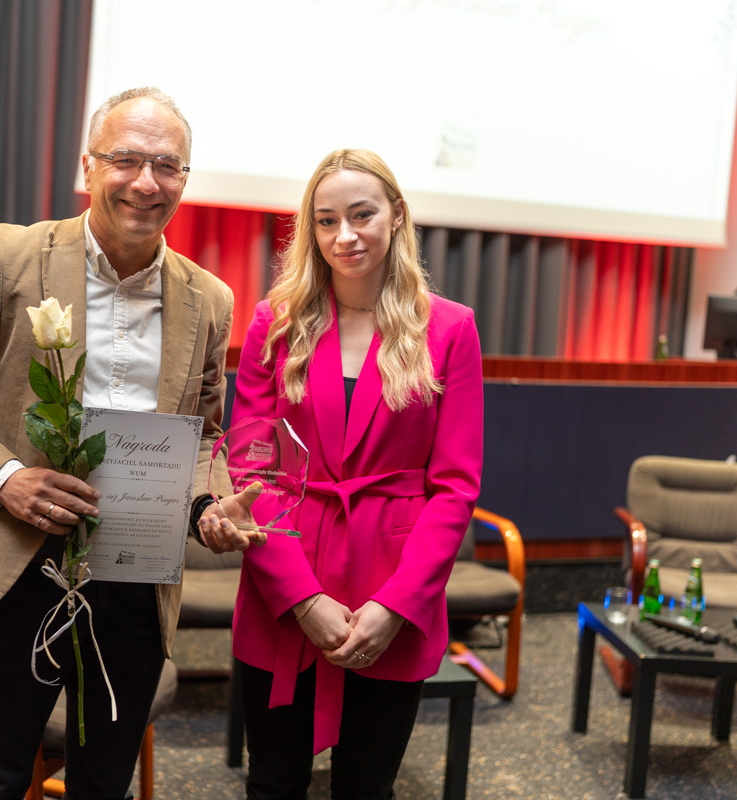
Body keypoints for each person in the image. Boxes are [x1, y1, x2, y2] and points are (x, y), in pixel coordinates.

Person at [0, 87, 236, 800]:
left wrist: (208, 501)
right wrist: (4, 477)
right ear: (88, 166)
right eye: (126, 159)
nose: (146, 182)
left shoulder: (209, 298)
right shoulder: (10, 258)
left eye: (167, 166)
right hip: (18, 562)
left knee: (104, 782)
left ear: (185, 179)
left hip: (137, 576)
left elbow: (203, 433)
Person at [198, 149, 484, 800]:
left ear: (396, 215)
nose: (344, 235)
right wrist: (303, 599)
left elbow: (454, 489)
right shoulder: (277, 321)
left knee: (367, 786)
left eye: (361, 215)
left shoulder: (451, 328)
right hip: (284, 583)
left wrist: (397, 604)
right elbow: (252, 472)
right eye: (326, 221)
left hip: (394, 589)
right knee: (273, 783)